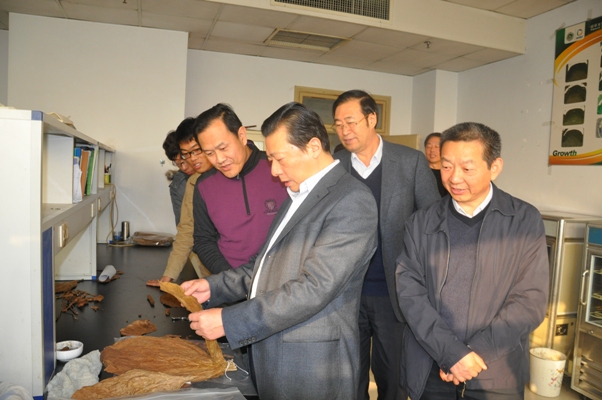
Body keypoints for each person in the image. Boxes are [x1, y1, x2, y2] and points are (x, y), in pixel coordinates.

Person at [182, 102, 378, 400]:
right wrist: (213, 286)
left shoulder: (351, 200)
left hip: (312, 364)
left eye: (279, 159)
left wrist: (230, 321)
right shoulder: (298, 194)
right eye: (271, 159)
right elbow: (264, 265)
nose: (273, 170)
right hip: (276, 351)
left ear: (313, 147)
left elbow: (314, 288)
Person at [395, 122, 549, 400]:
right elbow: (410, 295)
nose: (454, 178)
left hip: (495, 370)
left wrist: (473, 354)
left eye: (467, 169)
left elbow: (530, 299)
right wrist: (451, 353)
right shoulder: (421, 222)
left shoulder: (523, 221)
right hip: (432, 366)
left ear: (495, 167)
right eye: (446, 166)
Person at [332, 89, 440, 400]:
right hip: (347, 292)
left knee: (393, 378)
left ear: (372, 119)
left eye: (351, 122)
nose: (344, 131)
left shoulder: (410, 162)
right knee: (349, 377)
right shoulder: (335, 165)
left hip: (393, 293)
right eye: (338, 125)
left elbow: (432, 223)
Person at [192, 103, 288, 274]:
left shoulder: (278, 169)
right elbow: (203, 240)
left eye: (223, 148)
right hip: (228, 282)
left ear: (242, 136)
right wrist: (231, 279)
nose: (219, 159)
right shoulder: (204, 186)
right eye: (209, 153)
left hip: (279, 280)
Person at [147, 118, 213, 286]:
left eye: (195, 151)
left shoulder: (229, 174)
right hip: (210, 267)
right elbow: (186, 230)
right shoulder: (191, 183)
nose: (189, 162)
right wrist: (168, 277)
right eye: (184, 157)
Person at [162, 129, 194, 225]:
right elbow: (183, 224)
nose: (184, 168)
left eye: (184, 161)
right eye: (178, 164)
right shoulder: (179, 185)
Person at [424, 132, 447, 197]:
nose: (432, 150)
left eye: (437, 147)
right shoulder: (419, 172)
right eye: (428, 147)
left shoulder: (448, 173)